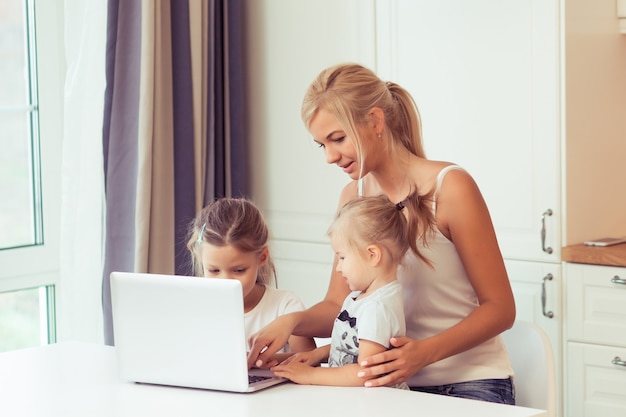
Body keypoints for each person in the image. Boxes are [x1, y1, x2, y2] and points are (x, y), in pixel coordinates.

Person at [248, 63, 516, 404]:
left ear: (375, 122)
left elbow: (501, 308)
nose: (330, 157)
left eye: (338, 139)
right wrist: (291, 322)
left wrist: (422, 355)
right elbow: (338, 305)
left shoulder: (450, 187)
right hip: (385, 387)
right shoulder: (353, 198)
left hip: (467, 384)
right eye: (321, 145)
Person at [271, 195, 412, 389]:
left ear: (372, 255)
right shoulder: (362, 297)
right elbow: (353, 347)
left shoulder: (377, 309)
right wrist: (317, 354)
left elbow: (364, 373)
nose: (338, 268)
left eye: (343, 257)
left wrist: (312, 374)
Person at [188, 197, 317, 362]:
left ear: (262, 258)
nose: (226, 282)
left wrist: (254, 360)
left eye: (239, 270)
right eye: (214, 270)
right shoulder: (195, 307)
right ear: (201, 259)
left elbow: (309, 359)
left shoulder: (285, 306)